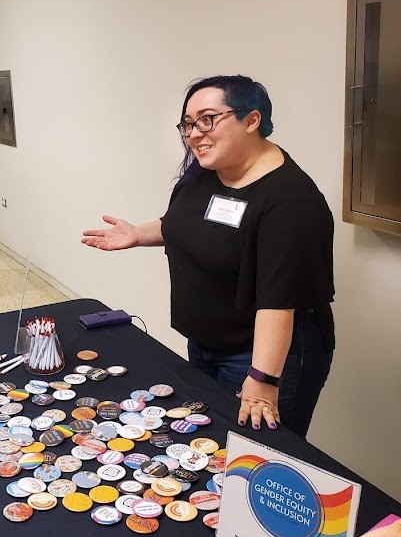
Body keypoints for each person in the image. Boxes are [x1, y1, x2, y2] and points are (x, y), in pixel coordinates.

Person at [82, 75, 335, 437]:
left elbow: (279, 301)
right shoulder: (208, 171)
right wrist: (138, 234)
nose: (194, 134)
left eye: (207, 119)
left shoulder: (291, 201)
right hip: (207, 343)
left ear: (252, 120)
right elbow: (186, 223)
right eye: (188, 124)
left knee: (259, 457)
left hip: (262, 355)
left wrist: (263, 378)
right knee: (210, 441)